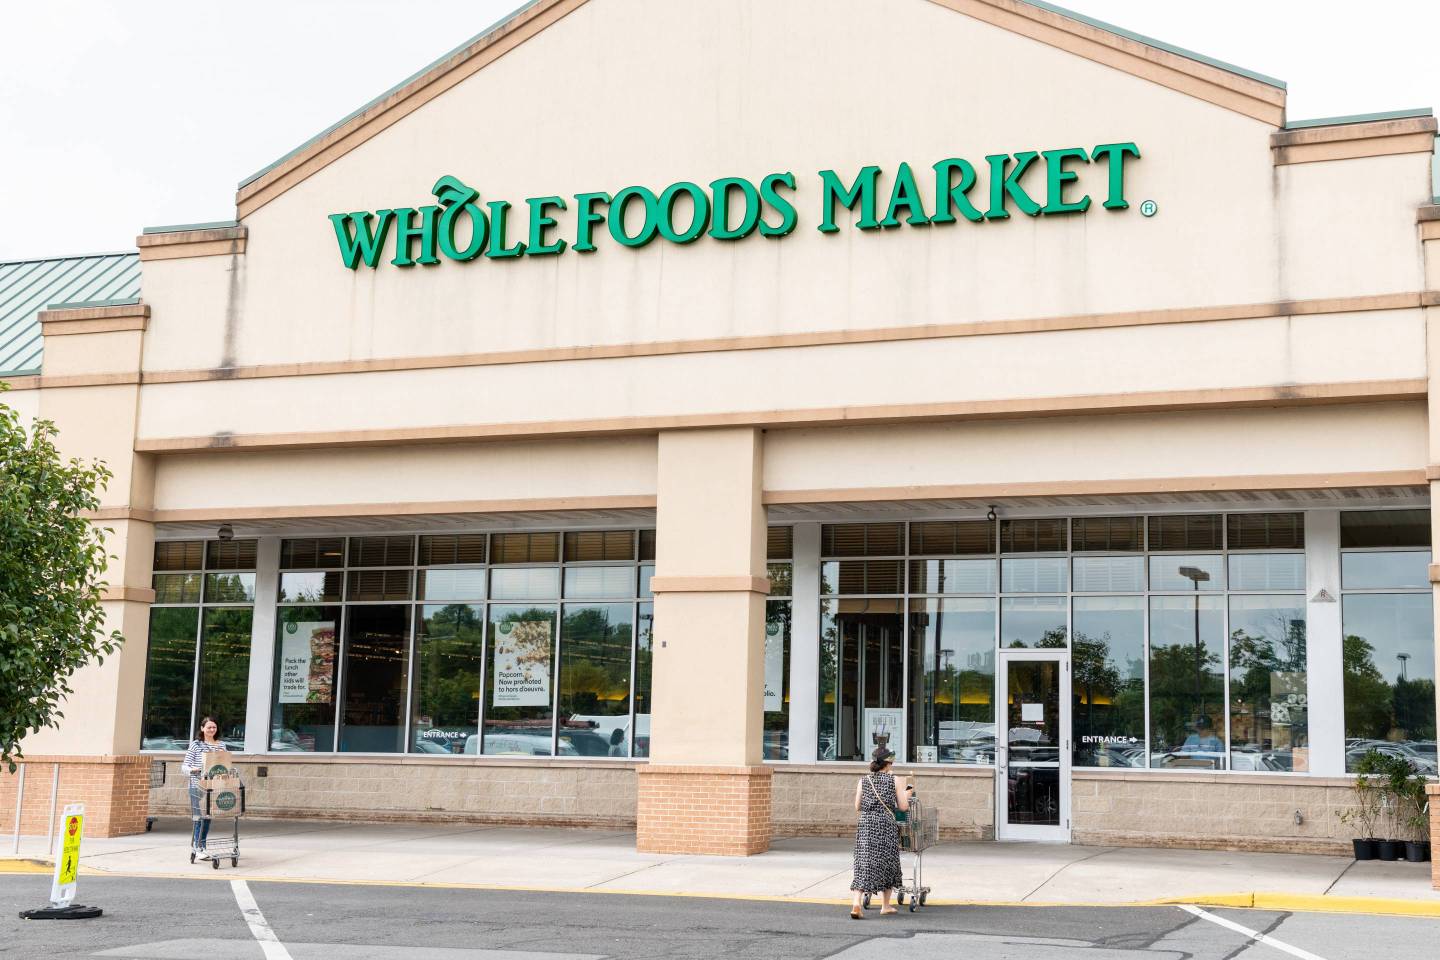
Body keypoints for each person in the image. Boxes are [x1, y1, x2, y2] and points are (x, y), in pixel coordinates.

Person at [849, 746, 910, 919]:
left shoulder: (864, 780)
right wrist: (907, 793)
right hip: (885, 824)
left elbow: (857, 806)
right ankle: (885, 905)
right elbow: (903, 807)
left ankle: (856, 903)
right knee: (887, 861)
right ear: (888, 763)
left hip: (866, 824)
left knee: (864, 861)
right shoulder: (895, 780)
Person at [181, 716, 226, 859]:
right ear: (202, 729)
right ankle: (198, 847)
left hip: (213, 786)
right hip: (197, 785)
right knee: (198, 817)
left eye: (214, 727)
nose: (212, 729)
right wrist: (193, 769)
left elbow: (224, 764)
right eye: (209, 727)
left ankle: (202, 846)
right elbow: (184, 766)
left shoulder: (221, 745)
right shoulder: (196, 745)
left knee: (207, 817)